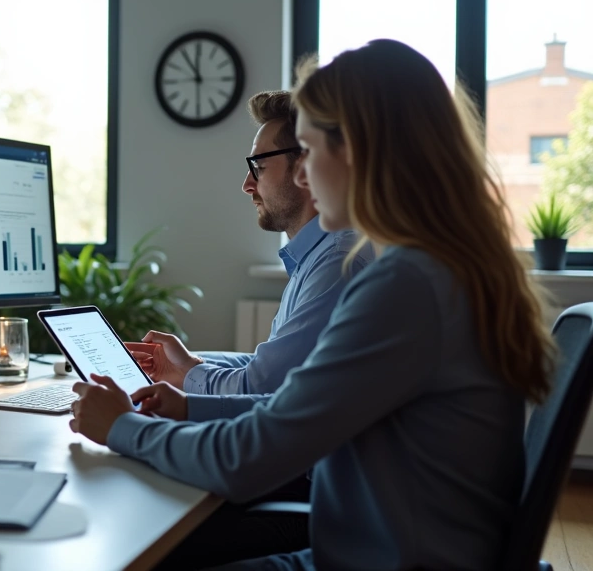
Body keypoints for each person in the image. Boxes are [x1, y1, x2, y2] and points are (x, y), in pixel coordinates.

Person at [70, 40, 555, 570]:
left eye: (310, 151)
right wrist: (190, 405)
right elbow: (300, 411)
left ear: (357, 151)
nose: (303, 175)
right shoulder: (441, 266)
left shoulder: (406, 285)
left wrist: (120, 426)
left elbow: (248, 459)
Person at [128, 91, 372, 396]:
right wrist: (189, 363)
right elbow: (264, 367)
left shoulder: (337, 262)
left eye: (258, 165)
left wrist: (189, 374)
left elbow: (262, 386)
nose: (247, 185)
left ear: (305, 168)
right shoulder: (316, 255)